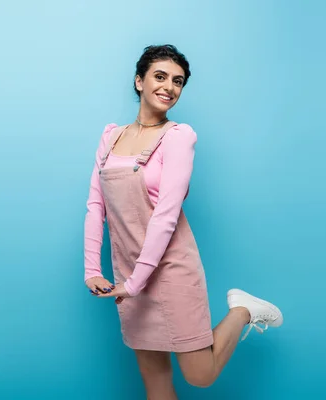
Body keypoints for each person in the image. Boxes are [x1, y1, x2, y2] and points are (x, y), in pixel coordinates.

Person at [83, 44, 283, 397]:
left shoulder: (179, 137)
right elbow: (96, 205)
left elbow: (165, 216)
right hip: (128, 270)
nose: (169, 87)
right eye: (160, 76)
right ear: (139, 81)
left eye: (178, 81)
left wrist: (134, 284)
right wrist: (91, 270)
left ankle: (243, 311)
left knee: (200, 374)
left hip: (171, 268)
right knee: (156, 382)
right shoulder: (110, 136)